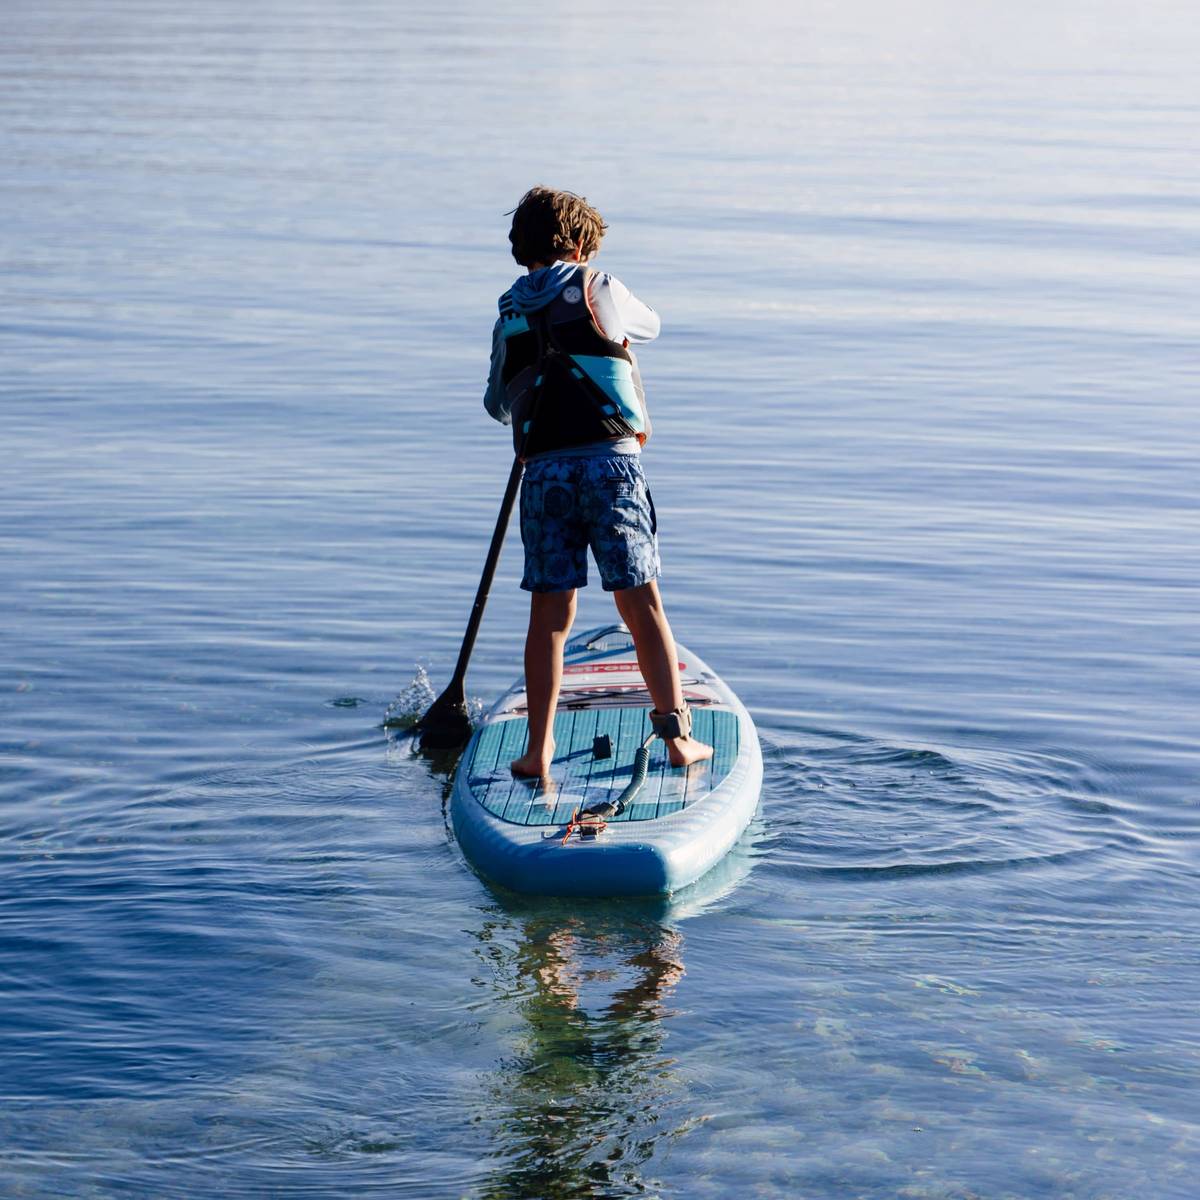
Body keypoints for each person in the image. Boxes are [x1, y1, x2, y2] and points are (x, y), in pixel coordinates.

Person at [484, 186, 713, 779]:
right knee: (642, 607)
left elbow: (497, 406)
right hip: (611, 468)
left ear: (522, 245)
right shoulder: (601, 285)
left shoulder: (507, 311)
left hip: (544, 474)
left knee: (549, 617)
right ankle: (677, 740)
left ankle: (538, 752)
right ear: (582, 243)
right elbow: (652, 326)